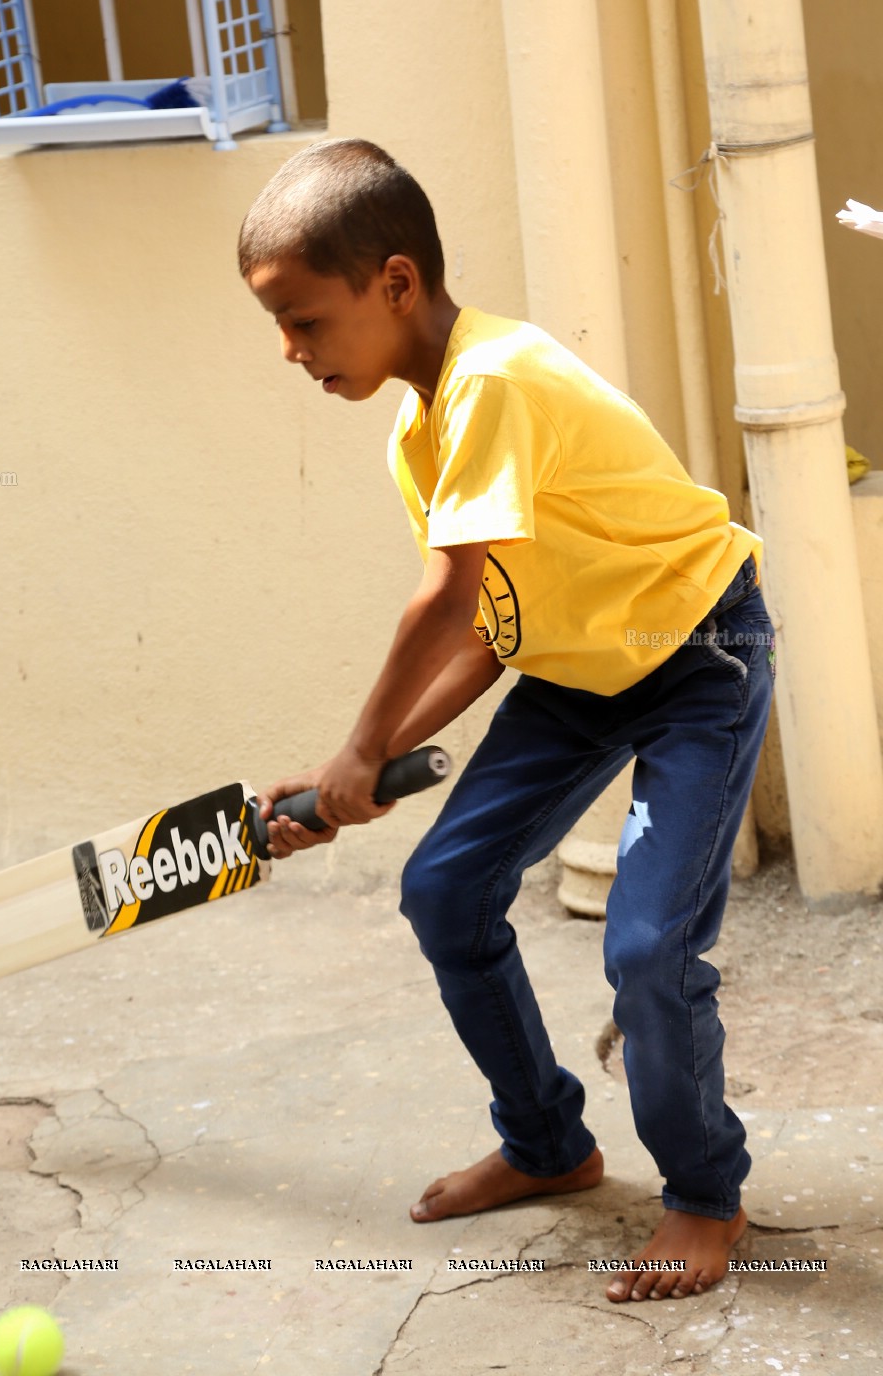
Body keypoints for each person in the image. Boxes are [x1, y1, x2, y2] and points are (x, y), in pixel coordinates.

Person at [238, 137, 775, 1303]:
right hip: (575, 675)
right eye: (276, 327)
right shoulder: (420, 426)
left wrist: (354, 748)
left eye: (305, 320)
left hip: (698, 657)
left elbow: (440, 595)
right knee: (443, 889)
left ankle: (703, 1196)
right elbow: (489, 624)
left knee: (643, 946)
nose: (289, 351)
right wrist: (366, 768)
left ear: (393, 282)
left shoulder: (492, 380)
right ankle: (548, 1145)